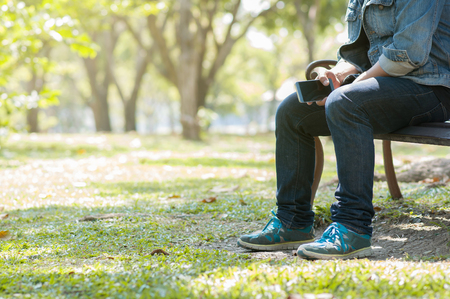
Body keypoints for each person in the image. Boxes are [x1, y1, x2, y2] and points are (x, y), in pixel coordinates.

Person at [237, 0, 450, 259]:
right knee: (292, 111)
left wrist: (352, 86)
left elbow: (408, 53)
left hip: (431, 87)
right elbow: (358, 54)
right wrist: (337, 73)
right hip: (381, 85)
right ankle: (292, 222)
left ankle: (352, 227)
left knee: (345, 102)